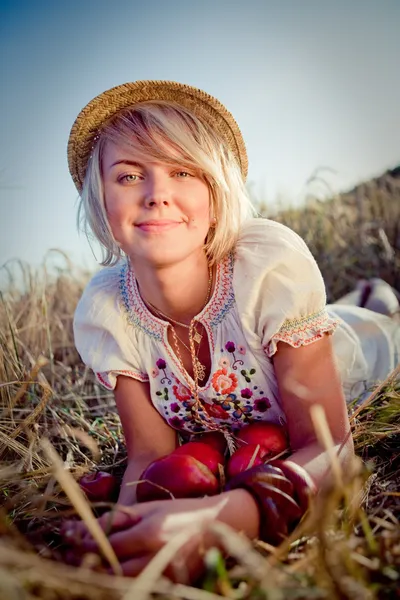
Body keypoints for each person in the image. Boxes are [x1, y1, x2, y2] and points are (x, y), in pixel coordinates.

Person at [63, 80, 400, 579]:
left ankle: (376, 299)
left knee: (383, 324)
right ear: (101, 201)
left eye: (182, 171)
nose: (157, 194)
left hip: (354, 358)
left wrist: (225, 518)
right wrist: (123, 529)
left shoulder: (265, 268)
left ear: (216, 194)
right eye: (129, 175)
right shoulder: (109, 311)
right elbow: (150, 456)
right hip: (258, 416)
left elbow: (333, 453)